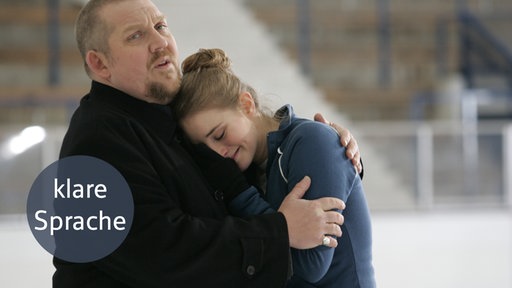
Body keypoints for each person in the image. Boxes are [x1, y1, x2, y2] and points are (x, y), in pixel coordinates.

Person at [54, 0, 362, 287]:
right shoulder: (96, 141)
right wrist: (280, 231)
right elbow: (160, 253)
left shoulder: (168, 120)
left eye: (161, 27)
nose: (160, 42)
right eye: (135, 35)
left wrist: (332, 154)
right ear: (99, 64)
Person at [171, 48, 375, 288]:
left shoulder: (311, 142)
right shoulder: (250, 167)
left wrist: (240, 194)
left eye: (220, 134)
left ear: (246, 105)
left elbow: (312, 265)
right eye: (205, 150)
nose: (219, 153)